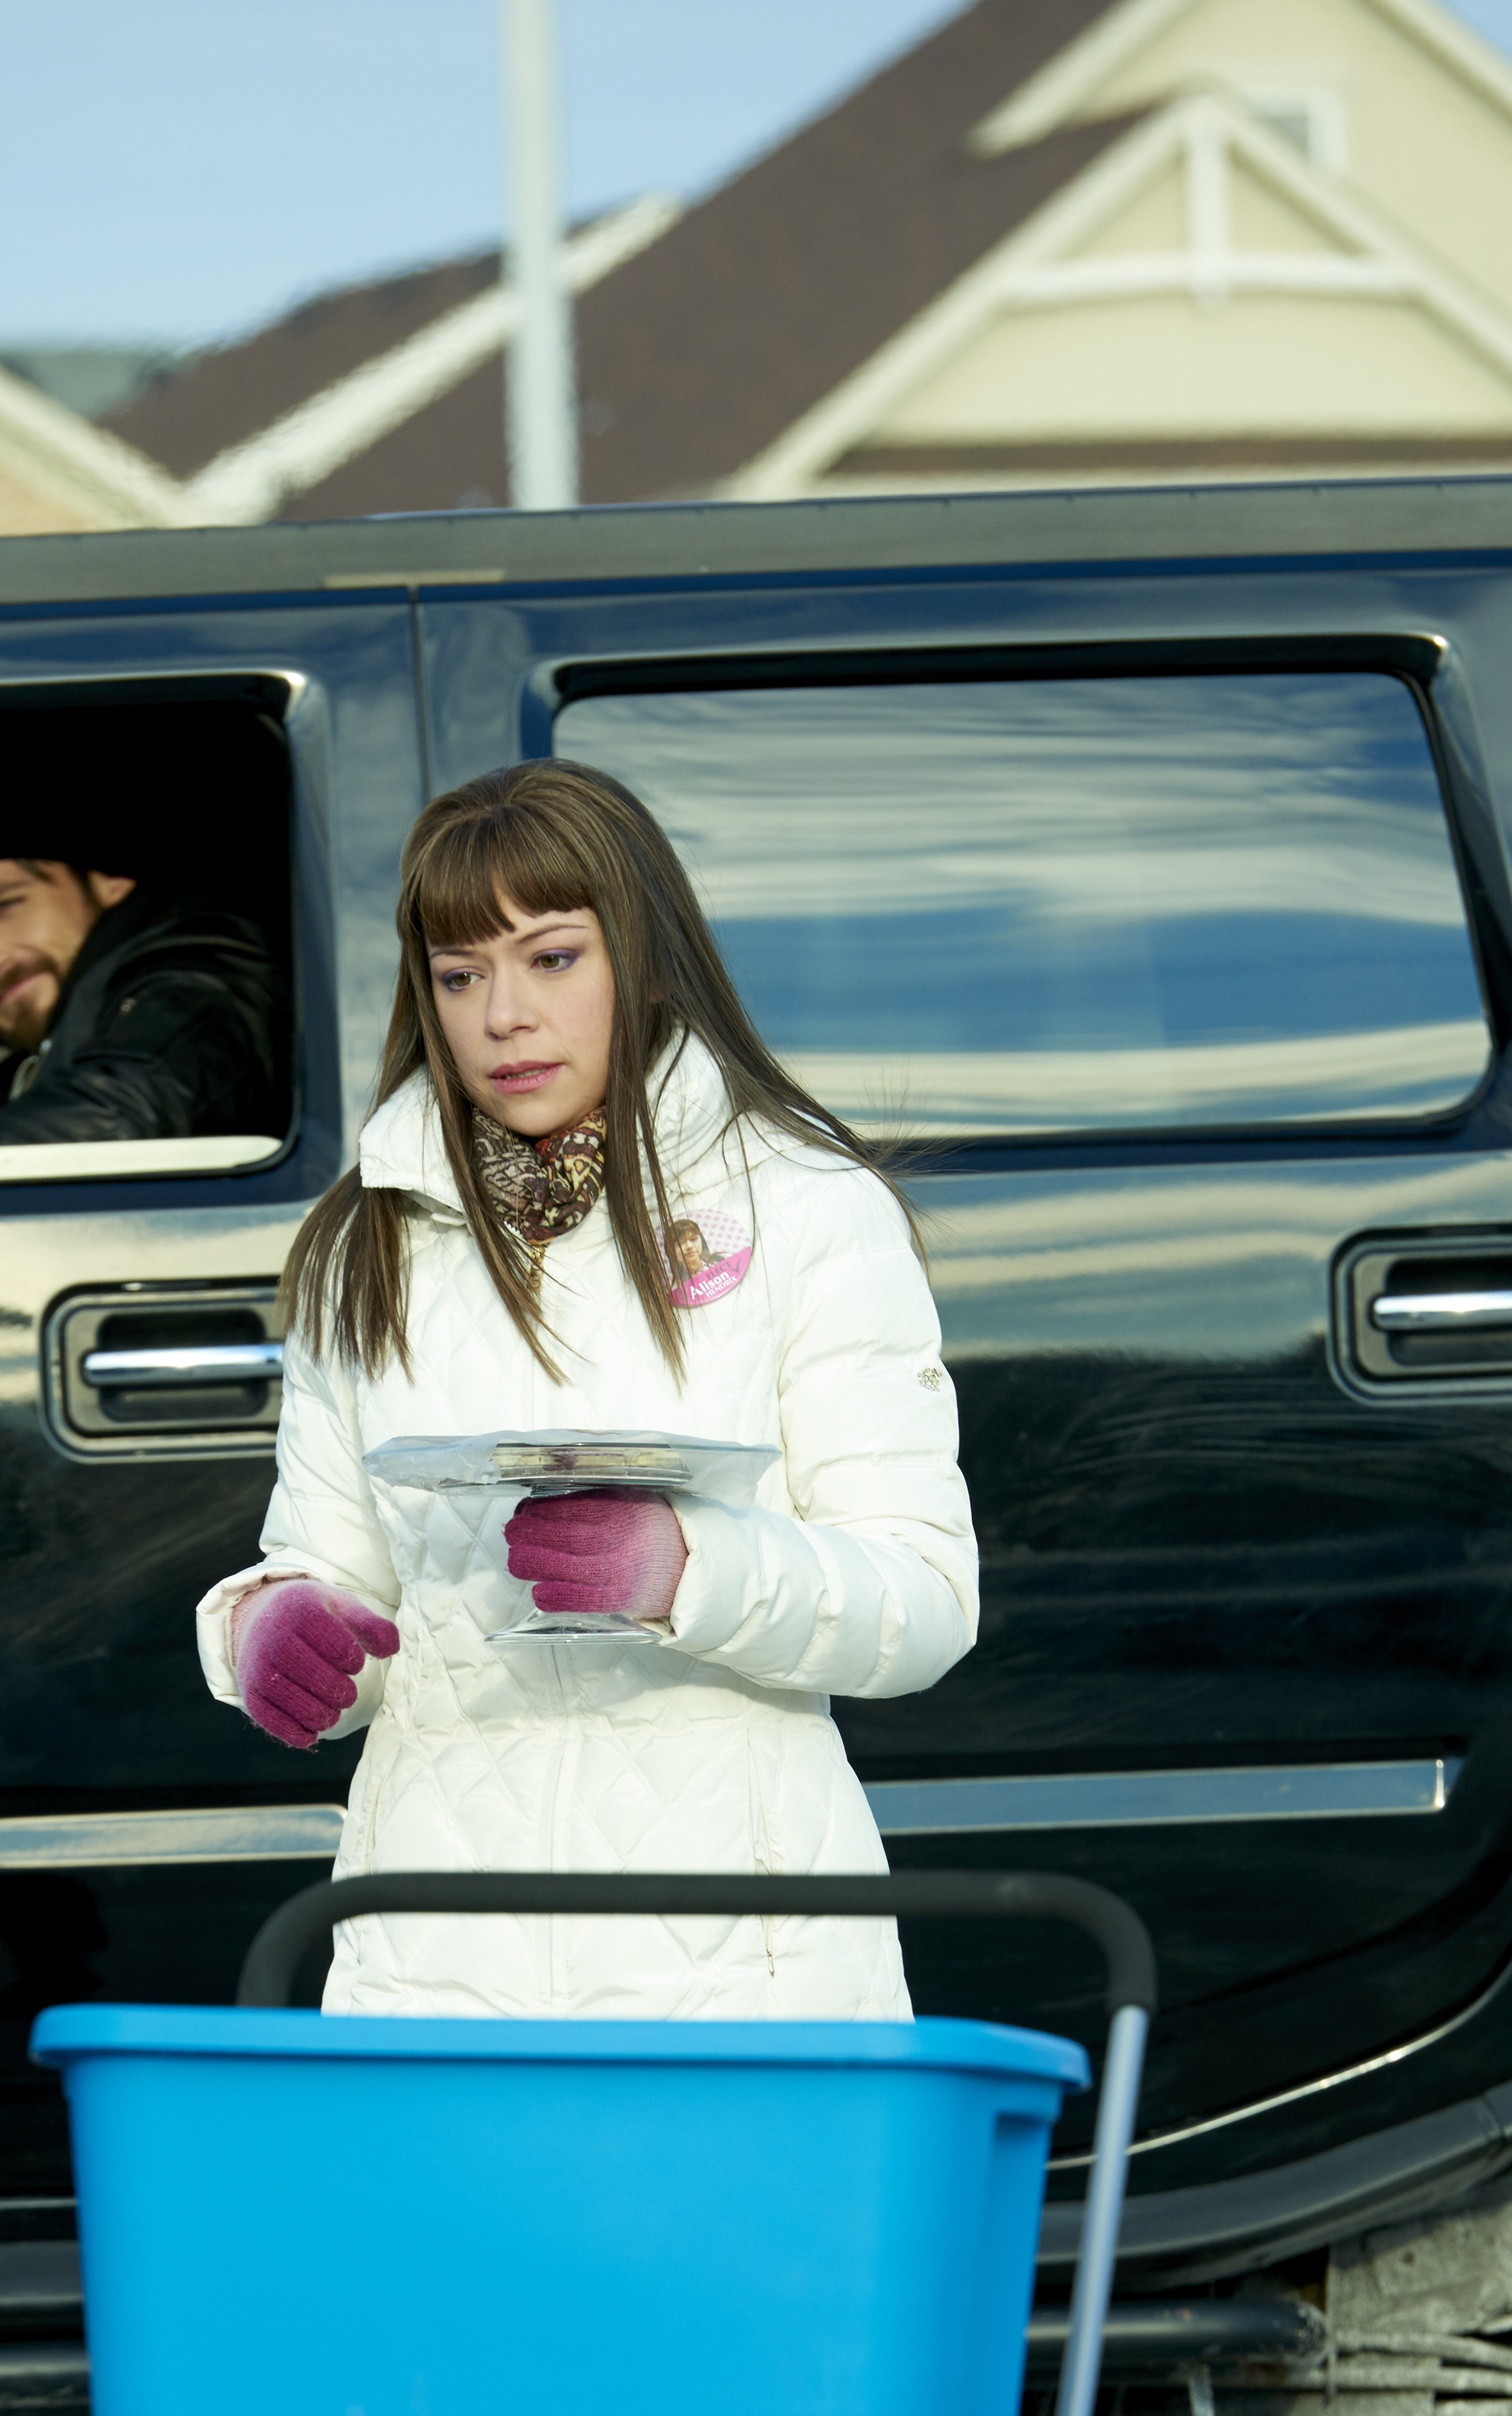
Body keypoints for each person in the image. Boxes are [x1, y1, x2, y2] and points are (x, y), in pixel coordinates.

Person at [195, 762, 977, 2016]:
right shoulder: (367, 1241)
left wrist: (685, 1570)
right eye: (460, 975)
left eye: (550, 958)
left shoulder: (809, 1210)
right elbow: (335, 1583)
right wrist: (272, 1632)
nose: (503, 1014)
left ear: (646, 959)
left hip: (740, 1967)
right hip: (431, 1967)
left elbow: (927, 1599)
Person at [0, 739, 280, 1152]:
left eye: (5, 905)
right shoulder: (25, 1086)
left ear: (110, 879)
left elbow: (124, 1116)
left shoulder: (203, 978)